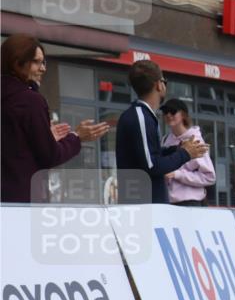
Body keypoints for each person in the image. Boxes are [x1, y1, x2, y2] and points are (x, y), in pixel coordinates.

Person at [1, 34, 109, 203]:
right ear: (17, 63)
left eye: (43, 62)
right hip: (24, 200)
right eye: (36, 62)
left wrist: (45, 135)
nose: (43, 68)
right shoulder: (29, 100)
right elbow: (50, 156)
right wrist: (77, 137)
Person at [116, 60, 207, 204]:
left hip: (146, 205)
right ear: (159, 84)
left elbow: (148, 157)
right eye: (165, 81)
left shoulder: (143, 115)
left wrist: (175, 150)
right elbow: (152, 165)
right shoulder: (140, 116)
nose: (168, 115)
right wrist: (185, 154)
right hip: (144, 206)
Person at [160, 98, 215, 206]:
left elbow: (209, 177)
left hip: (190, 202)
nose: (168, 115)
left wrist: (177, 175)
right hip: (168, 202)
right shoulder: (165, 140)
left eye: (173, 111)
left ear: (183, 115)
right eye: (165, 112)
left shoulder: (195, 140)